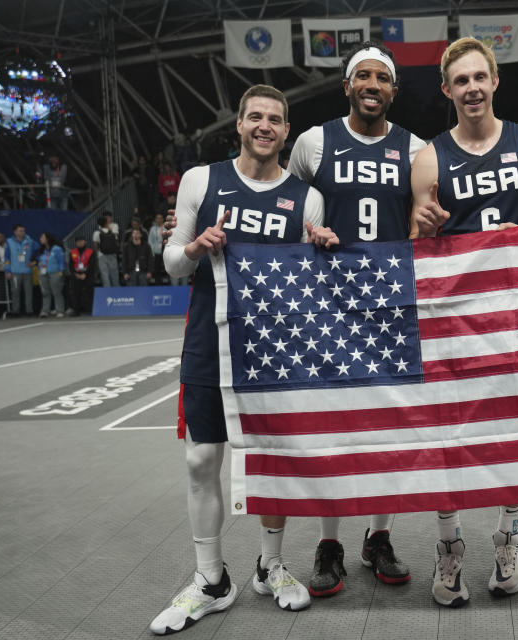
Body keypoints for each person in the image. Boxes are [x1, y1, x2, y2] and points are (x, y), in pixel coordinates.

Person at [151, 84, 334, 635]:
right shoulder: (201, 180)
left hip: (276, 351)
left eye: (275, 120)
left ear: (286, 131)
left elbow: (313, 285)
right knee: (202, 461)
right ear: (239, 123)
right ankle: (211, 580)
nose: (265, 126)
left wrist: (324, 247)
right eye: (256, 116)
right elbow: (170, 265)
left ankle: (269, 565)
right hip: (210, 342)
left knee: (272, 462)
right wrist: (193, 248)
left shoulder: (305, 197)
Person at [409, 37, 518, 607]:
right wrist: (422, 226)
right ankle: (449, 548)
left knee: (512, 435)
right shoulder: (428, 157)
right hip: (453, 323)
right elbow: (414, 248)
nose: (472, 88)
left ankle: (508, 536)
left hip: (516, 320)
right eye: (460, 81)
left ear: (494, 81)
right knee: (446, 437)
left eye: (480, 77)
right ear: (447, 90)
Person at [288, 40, 423, 598]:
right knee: (333, 428)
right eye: (361, 76)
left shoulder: (414, 148)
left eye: (382, 78)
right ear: (346, 85)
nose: (372, 85)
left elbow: (421, 217)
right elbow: (287, 207)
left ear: (394, 89)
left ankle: (379, 535)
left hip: (391, 306)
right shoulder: (313, 142)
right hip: (328, 306)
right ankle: (330, 542)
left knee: (390, 427)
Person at [4, 224, 39, 316]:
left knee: (29, 292)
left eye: (24, 230)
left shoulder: (29, 241)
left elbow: (39, 249)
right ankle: (16, 310)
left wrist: (35, 261)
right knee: (15, 291)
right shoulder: (9, 241)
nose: (23, 232)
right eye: (20, 231)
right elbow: (6, 257)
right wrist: (8, 270)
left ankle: (29, 310)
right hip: (15, 271)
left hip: (27, 271)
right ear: (15, 232)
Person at [37, 232, 66, 317]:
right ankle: (45, 310)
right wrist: (39, 268)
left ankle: (60, 310)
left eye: (42, 237)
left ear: (48, 239)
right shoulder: (43, 250)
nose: (40, 239)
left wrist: (61, 271)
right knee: (45, 292)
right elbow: (40, 261)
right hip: (43, 273)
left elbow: (61, 261)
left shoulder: (57, 249)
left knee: (56, 292)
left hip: (55, 273)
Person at [67, 236, 95, 315]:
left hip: (87, 275)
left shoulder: (90, 252)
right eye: (78, 241)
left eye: (81, 241)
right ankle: (76, 310)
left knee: (89, 291)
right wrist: (75, 274)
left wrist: (85, 274)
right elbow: (71, 265)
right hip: (76, 274)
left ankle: (90, 310)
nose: (80, 242)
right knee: (75, 292)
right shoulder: (72, 252)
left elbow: (92, 264)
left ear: (85, 242)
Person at [93, 214, 121, 287]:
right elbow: (116, 243)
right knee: (114, 274)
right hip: (112, 255)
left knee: (105, 275)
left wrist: (99, 251)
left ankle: (107, 293)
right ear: (106, 223)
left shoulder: (97, 233)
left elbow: (95, 245)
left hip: (102, 255)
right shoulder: (112, 232)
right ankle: (117, 292)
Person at [148, 213, 166, 283]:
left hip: (165, 250)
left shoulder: (166, 227)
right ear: (155, 219)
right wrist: (152, 252)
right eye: (157, 218)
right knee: (157, 269)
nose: (159, 220)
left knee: (167, 268)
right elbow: (150, 241)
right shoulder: (152, 229)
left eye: (160, 218)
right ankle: (158, 283)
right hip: (156, 252)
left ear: (163, 219)